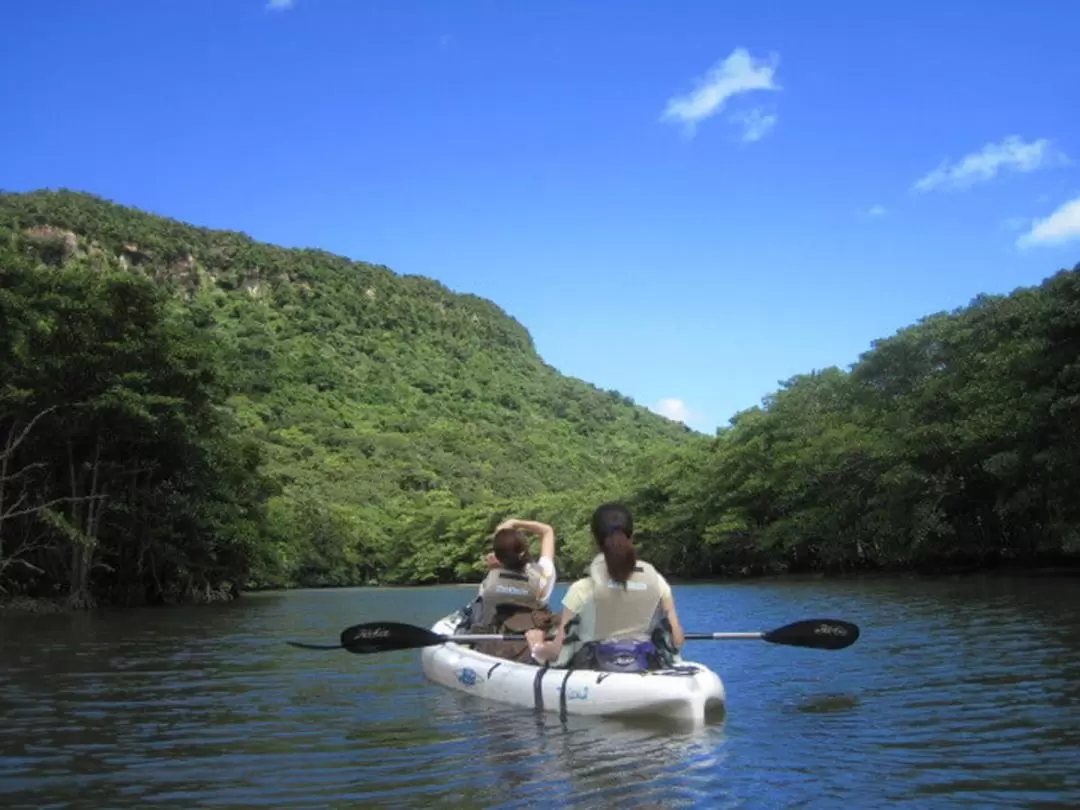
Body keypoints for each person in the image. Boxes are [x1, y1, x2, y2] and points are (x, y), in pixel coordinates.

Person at [524, 502, 685, 673]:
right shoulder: (658, 583)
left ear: (594, 541)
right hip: (644, 665)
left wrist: (537, 645)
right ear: (631, 537)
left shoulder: (580, 590)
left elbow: (558, 652)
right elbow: (677, 640)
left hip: (594, 672)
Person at [466, 517, 559, 663]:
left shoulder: (489, 584)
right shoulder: (543, 577)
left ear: (497, 557)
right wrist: (516, 523)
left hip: (498, 643)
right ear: (524, 551)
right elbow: (547, 531)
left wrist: (495, 569)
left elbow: (489, 604)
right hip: (531, 637)